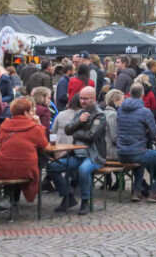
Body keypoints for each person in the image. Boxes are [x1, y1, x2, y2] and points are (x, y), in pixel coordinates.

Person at [46, 86, 107, 216]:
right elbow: (68, 130)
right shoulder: (79, 113)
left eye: (86, 99)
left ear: (93, 99)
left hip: (93, 155)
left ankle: (85, 201)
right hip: (76, 155)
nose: (83, 101)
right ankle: (67, 196)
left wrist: (76, 133)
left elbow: (91, 135)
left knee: (83, 170)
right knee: (52, 167)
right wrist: (79, 121)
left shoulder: (100, 115)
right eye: (81, 98)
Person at [0, 97, 49, 205]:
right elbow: (44, 144)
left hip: (2, 169)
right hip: (26, 170)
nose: (33, 112)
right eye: (31, 110)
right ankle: (14, 200)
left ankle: (10, 200)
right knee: (24, 163)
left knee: (12, 162)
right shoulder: (34, 128)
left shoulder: (4, 125)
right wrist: (38, 124)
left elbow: (0, 140)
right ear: (25, 112)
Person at [117, 84, 156, 202]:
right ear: (142, 95)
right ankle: (155, 190)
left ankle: (136, 191)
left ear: (129, 94)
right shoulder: (145, 111)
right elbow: (154, 134)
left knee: (141, 159)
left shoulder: (120, 109)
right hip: (138, 152)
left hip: (121, 153)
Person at [50, 94, 81, 159]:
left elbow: (53, 131)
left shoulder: (61, 114)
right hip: (75, 152)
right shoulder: (84, 115)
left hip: (59, 150)